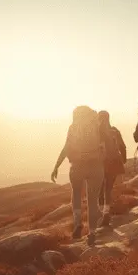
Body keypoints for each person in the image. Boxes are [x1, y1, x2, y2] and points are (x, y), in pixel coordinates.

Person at [51, 105, 104, 246]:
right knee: (93, 201)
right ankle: (92, 232)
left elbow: (66, 147)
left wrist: (56, 166)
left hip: (77, 166)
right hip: (95, 166)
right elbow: (108, 145)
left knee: (76, 194)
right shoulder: (98, 125)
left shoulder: (73, 127)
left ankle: (78, 223)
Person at [98, 110, 127, 227]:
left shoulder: (96, 132)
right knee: (108, 188)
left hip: (101, 163)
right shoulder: (115, 131)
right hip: (115, 162)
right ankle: (106, 212)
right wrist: (123, 160)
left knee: (99, 189)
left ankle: (102, 214)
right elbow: (122, 146)